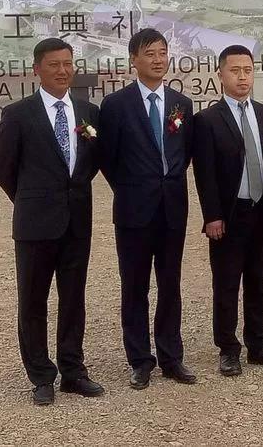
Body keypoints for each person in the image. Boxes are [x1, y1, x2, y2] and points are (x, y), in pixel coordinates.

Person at [0, 38, 104, 405]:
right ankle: (41, 375)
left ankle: (73, 370)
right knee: (33, 300)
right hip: (35, 223)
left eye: (67, 63)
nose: (62, 70)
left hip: (77, 221)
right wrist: (31, 199)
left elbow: (91, 163)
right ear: (37, 69)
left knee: (73, 299)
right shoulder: (18, 114)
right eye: (54, 64)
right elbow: (4, 168)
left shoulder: (88, 112)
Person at [99, 28, 196, 389]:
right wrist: (132, 187)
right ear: (133, 60)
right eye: (149, 54)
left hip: (172, 208)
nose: (158, 60)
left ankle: (171, 357)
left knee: (170, 284)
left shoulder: (181, 104)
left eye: (162, 52)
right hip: (133, 210)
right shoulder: (116, 105)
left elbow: (184, 153)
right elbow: (108, 158)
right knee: (135, 286)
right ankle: (140, 360)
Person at [192, 45, 263, 376]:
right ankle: (228, 348)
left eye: (247, 70)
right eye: (234, 71)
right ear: (220, 75)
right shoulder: (207, 120)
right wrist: (212, 215)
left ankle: (258, 345)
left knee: (259, 280)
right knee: (226, 283)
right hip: (229, 214)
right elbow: (204, 173)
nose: (242, 77)